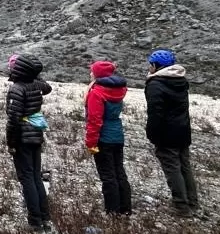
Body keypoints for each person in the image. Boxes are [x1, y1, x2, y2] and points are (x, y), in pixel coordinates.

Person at [145, 49, 200, 217]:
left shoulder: (156, 84)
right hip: (183, 131)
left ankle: (181, 206)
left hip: (166, 133)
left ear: (155, 65)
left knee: (172, 169)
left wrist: (152, 134)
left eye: (150, 64)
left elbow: (155, 113)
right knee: (185, 167)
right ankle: (192, 203)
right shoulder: (180, 81)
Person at [6, 53, 53, 233]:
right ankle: (45, 217)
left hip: (23, 138)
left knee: (27, 178)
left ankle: (35, 221)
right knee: (35, 176)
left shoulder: (17, 89)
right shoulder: (36, 85)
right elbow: (47, 87)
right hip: (35, 134)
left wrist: (11, 142)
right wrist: (35, 75)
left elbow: (14, 119)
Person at [85, 61, 132, 215]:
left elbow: (94, 120)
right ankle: (125, 208)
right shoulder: (119, 89)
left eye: (92, 71)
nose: (90, 73)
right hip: (117, 135)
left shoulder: (96, 93)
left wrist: (91, 142)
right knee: (119, 171)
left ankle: (112, 210)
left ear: (97, 74)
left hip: (103, 137)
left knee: (107, 175)